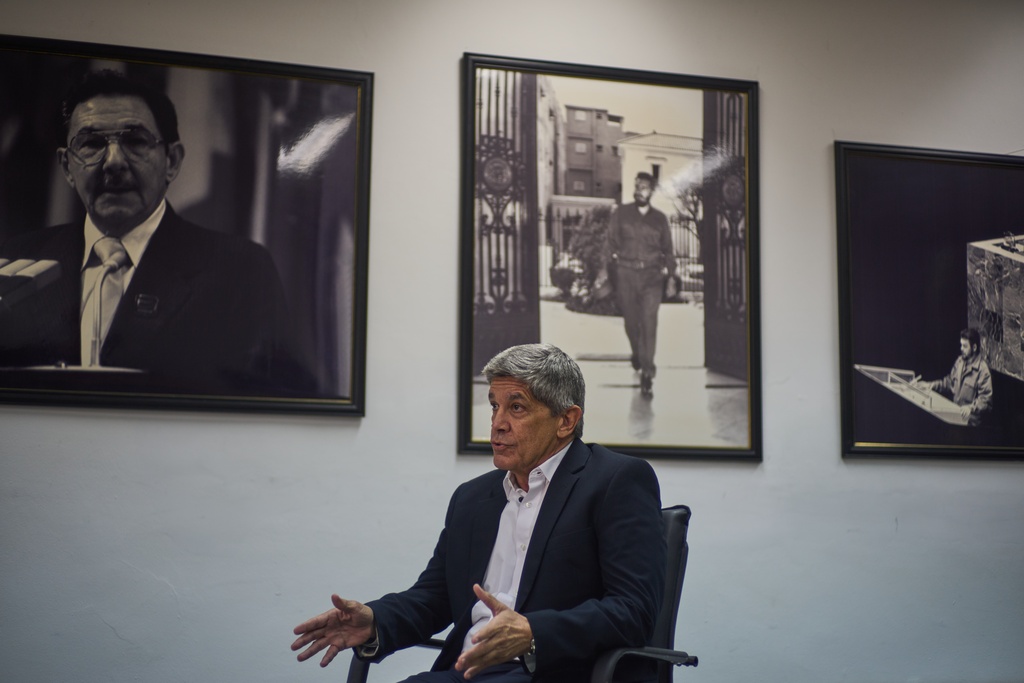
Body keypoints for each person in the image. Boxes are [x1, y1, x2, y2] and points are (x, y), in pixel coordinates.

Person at [292, 343, 666, 683]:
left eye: (516, 407)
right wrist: (375, 621)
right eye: (494, 406)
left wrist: (533, 632)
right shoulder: (473, 499)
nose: (498, 422)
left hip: (552, 671)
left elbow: (633, 610)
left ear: (565, 421)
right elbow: (434, 597)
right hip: (468, 672)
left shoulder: (615, 481)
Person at [0, 69, 308, 395]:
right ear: (67, 168)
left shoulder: (241, 271)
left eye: (135, 141)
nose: (114, 162)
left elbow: (274, 401)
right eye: (91, 143)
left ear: (172, 162)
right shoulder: (21, 258)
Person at [595, 172, 677, 399]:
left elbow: (668, 250)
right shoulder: (621, 213)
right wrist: (603, 270)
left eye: (644, 186)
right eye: (637, 185)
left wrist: (671, 277)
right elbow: (609, 242)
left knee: (650, 323)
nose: (639, 189)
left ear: (652, 191)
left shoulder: (660, 219)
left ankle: (647, 372)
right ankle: (636, 353)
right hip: (626, 274)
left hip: (652, 277)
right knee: (631, 322)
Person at [914, 327, 993, 426]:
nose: (961, 349)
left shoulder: (983, 370)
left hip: (970, 424)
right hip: (955, 417)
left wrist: (970, 408)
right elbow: (948, 383)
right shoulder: (960, 362)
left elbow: (985, 401)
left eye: (965, 346)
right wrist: (930, 385)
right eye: (961, 345)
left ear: (974, 348)